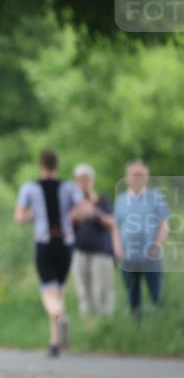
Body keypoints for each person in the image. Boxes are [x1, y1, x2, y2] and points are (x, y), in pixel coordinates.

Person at [14, 149, 82, 357]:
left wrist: (33, 215)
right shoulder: (69, 187)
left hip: (44, 243)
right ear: (57, 166)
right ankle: (54, 343)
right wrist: (70, 218)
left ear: (40, 165)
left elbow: (19, 217)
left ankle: (59, 315)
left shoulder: (30, 188)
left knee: (48, 292)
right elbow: (84, 209)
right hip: (65, 243)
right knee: (59, 290)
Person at [112, 159, 170, 321]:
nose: (137, 177)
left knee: (156, 294)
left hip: (150, 256)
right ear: (127, 177)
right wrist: (117, 248)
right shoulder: (121, 200)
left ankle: (161, 328)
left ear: (147, 177)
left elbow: (164, 224)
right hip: (128, 257)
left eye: (141, 174)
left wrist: (157, 245)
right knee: (133, 296)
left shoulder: (156, 197)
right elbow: (116, 227)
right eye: (134, 174)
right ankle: (136, 330)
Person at [69, 164, 116, 318]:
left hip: (101, 252)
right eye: (80, 179)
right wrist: (77, 215)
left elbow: (112, 223)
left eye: (86, 179)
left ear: (92, 180)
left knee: (101, 290)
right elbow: (66, 223)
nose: (83, 183)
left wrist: (95, 211)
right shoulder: (73, 203)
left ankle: (104, 322)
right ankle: (88, 324)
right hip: (80, 252)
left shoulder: (101, 200)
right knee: (83, 291)